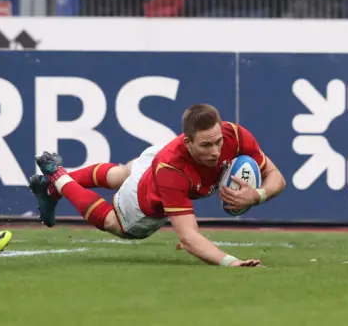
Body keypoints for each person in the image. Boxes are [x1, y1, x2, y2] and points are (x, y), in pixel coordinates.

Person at [29, 104, 286, 267]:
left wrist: (258, 195)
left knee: (120, 173)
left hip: (154, 157)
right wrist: (232, 263)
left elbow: (276, 176)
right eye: (206, 146)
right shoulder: (172, 171)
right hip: (144, 197)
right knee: (118, 226)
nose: (216, 151)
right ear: (187, 143)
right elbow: (188, 236)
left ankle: (50, 187)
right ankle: (58, 179)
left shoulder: (236, 135)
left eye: (218, 142)